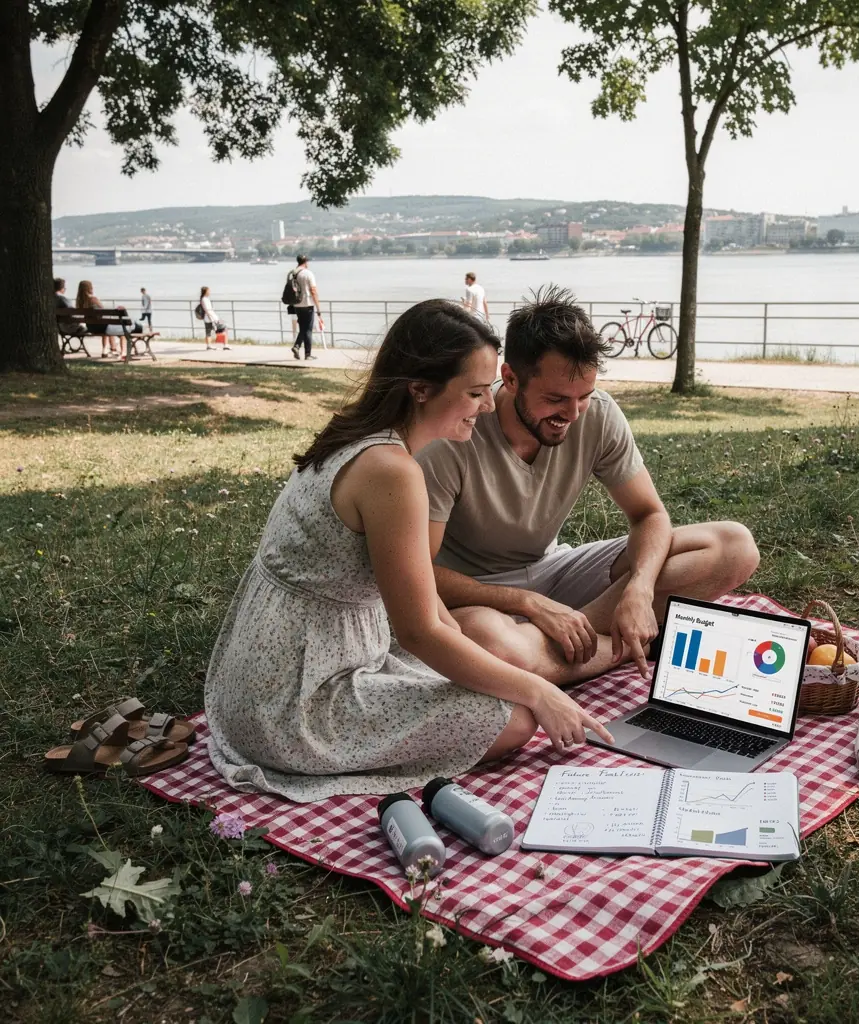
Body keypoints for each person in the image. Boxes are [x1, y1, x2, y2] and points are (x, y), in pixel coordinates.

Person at [204, 299, 613, 800]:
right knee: (515, 718)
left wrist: (497, 667)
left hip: (263, 677)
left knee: (490, 666)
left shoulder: (361, 437)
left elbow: (430, 611)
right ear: (420, 389)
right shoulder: (391, 471)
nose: (488, 406)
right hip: (294, 703)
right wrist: (539, 690)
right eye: (476, 392)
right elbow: (420, 632)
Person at [416, 285, 760, 686]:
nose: (573, 413)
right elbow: (418, 573)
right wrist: (529, 603)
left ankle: (561, 644)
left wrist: (640, 589)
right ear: (510, 378)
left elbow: (649, 514)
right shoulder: (453, 437)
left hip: (555, 570)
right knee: (491, 644)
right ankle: (616, 648)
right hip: (480, 593)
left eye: (584, 396)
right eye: (556, 398)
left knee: (734, 546)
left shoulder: (598, 414)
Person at [75, 280, 128, 359]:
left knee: (106, 327)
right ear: (90, 288)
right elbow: (102, 311)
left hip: (91, 327)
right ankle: (123, 352)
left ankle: (106, 350)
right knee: (122, 331)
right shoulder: (93, 299)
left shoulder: (79, 301)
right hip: (101, 327)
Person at [290, 254, 322, 361]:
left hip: (297, 304)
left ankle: (297, 346)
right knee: (308, 329)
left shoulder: (294, 273)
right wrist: (318, 307)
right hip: (307, 303)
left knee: (303, 328)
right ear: (305, 262)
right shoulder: (308, 273)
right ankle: (307, 354)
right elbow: (313, 291)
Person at [199, 286, 230, 350]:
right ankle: (225, 345)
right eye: (208, 291)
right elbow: (207, 310)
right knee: (224, 327)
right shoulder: (205, 299)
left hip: (208, 319)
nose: (209, 292)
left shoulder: (204, 299)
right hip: (211, 318)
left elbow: (207, 310)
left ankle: (209, 346)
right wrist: (213, 318)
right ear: (205, 292)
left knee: (208, 332)